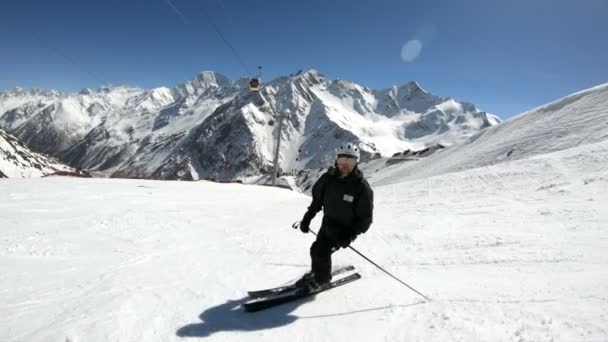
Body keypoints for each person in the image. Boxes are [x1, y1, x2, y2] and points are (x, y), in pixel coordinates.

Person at [296, 142, 374, 290]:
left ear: (356, 163)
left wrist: (350, 235)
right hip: (327, 224)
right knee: (315, 249)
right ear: (336, 160)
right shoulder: (328, 179)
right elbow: (317, 201)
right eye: (342, 160)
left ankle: (322, 280)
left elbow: (365, 219)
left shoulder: (361, 187)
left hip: (344, 230)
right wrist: (307, 218)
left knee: (322, 252)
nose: (345, 165)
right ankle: (317, 272)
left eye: (350, 161)